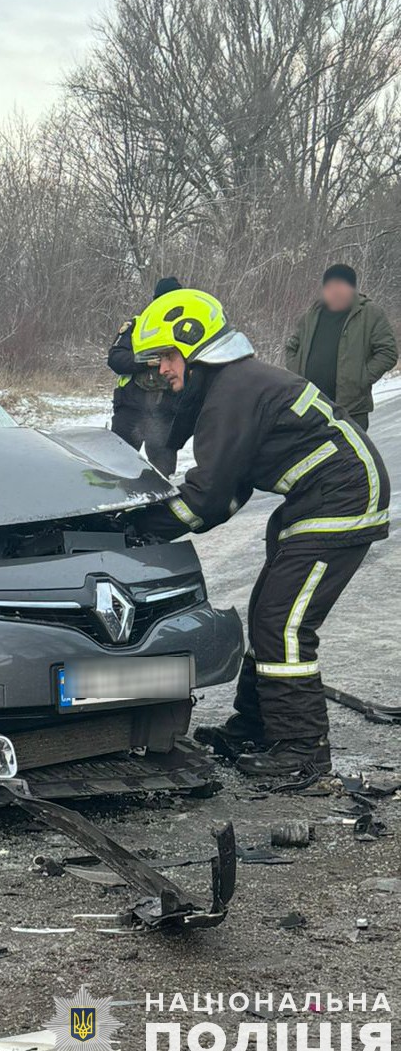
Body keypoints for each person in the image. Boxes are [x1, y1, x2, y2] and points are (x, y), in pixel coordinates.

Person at [128, 287, 390, 779]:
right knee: (267, 611)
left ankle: (301, 751)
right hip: (314, 500)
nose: (162, 369)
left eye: (166, 356)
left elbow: (205, 498)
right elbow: (229, 492)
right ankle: (255, 725)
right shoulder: (235, 386)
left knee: (283, 623)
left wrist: (139, 526)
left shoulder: (231, 394)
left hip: (341, 499)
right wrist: (176, 516)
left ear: (195, 345)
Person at [285, 263, 397, 432]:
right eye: (329, 286)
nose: (334, 290)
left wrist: (360, 378)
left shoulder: (369, 313)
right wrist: (298, 371)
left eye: (340, 285)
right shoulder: (312, 314)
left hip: (351, 408)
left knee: (349, 457)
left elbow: (388, 352)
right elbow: (291, 346)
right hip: (312, 407)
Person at [108, 277, 183, 475]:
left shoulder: (186, 328)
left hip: (165, 411)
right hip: (131, 409)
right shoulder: (137, 325)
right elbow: (115, 359)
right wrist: (145, 361)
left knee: (162, 476)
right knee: (119, 469)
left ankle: (159, 507)